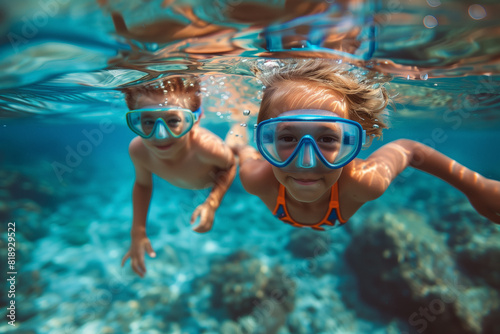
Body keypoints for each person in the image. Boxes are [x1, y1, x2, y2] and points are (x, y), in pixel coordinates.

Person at [227, 60, 500, 230]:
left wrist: (476, 186)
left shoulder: (363, 182)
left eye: (327, 138)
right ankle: (236, 127)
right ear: (267, 141)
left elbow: (410, 150)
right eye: (287, 138)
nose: (306, 161)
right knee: (242, 149)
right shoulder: (256, 178)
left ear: (351, 142)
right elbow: (409, 148)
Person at [121, 75, 236, 277]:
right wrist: (137, 230)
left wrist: (212, 202)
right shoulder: (138, 150)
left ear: (195, 120)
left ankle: (239, 132)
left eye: (173, 121)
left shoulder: (206, 148)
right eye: (148, 122)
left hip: (219, 166)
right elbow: (142, 184)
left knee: (237, 150)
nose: (160, 135)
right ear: (136, 121)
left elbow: (230, 166)